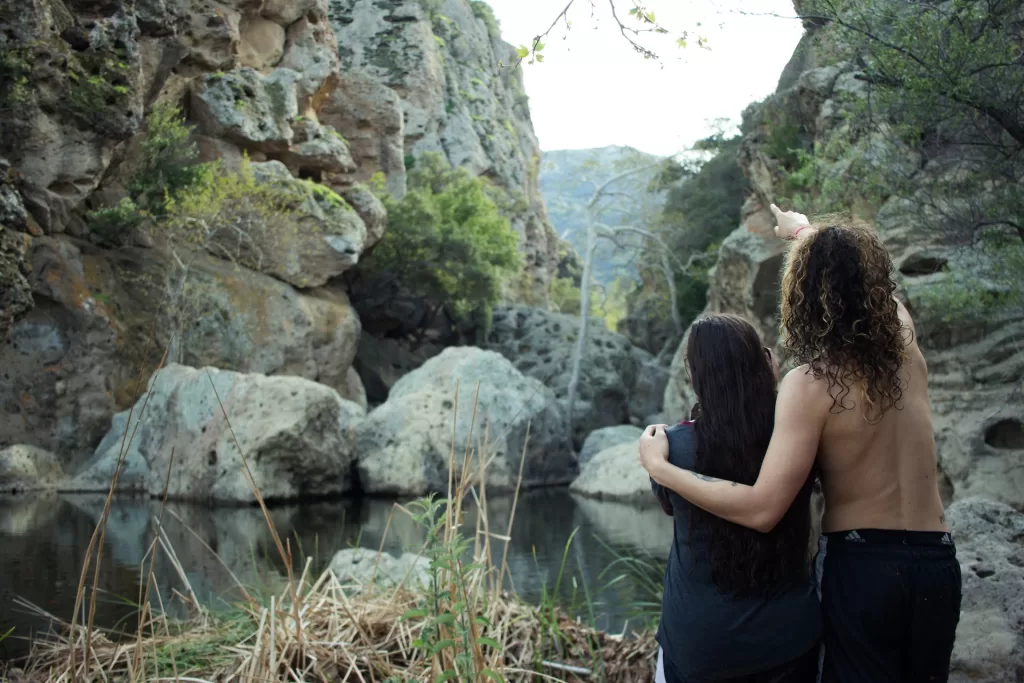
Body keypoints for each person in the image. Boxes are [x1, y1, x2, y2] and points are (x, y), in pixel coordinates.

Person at [639, 206, 962, 683]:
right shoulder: (908, 355)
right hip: (936, 559)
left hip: (863, 567)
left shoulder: (810, 384)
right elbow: (873, 288)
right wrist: (805, 231)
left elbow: (761, 509)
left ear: (802, 297)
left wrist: (663, 470)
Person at [651, 313, 821, 683]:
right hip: (788, 641)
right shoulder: (797, 439)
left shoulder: (671, 448)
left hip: (700, 645)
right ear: (764, 362)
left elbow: (669, 505)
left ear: (695, 376)